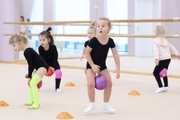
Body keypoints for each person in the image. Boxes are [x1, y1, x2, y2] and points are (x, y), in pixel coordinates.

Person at [84, 17, 120, 113]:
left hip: (102, 66)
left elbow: (115, 54)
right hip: (91, 65)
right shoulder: (94, 41)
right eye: (98, 26)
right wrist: (92, 65)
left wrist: (118, 68)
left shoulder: (110, 41)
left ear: (109, 29)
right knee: (91, 84)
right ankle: (92, 104)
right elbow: (87, 53)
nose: (100, 28)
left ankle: (106, 104)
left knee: (109, 83)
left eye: (103, 26)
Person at [9, 31, 48, 109]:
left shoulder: (27, 51)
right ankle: (31, 100)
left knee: (33, 83)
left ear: (21, 43)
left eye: (14, 45)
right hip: (37, 67)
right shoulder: (27, 50)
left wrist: (30, 76)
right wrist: (29, 74)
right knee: (29, 83)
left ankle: (36, 103)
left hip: (42, 67)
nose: (13, 48)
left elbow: (31, 64)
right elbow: (33, 64)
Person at [153, 25, 180, 93]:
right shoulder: (165, 40)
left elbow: (156, 50)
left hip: (162, 59)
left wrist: (157, 59)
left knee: (155, 73)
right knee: (163, 72)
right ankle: (166, 86)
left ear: (156, 32)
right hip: (168, 59)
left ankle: (160, 86)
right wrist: (177, 54)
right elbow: (172, 47)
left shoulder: (155, 41)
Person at [38, 27, 62, 92]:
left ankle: (57, 88)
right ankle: (37, 85)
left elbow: (55, 57)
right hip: (44, 63)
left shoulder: (53, 47)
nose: (41, 42)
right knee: (36, 72)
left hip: (53, 62)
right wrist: (45, 67)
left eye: (43, 40)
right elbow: (41, 58)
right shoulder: (40, 48)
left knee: (59, 72)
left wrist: (53, 67)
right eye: (40, 40)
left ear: (48, 40)